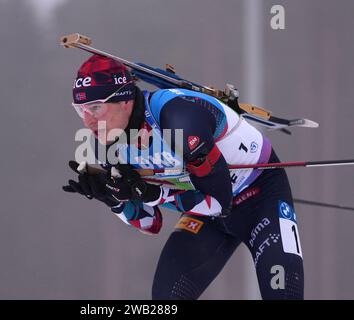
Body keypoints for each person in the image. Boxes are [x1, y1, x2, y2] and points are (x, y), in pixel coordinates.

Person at [63, 54, 304, 299]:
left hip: (259, 196)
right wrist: (114, 200)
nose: (87, 120)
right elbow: (149, 223)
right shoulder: (106, 145)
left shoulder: (177, 118)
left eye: (95, 107)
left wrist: (154, 194)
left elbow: (220, 202)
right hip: (203, 209)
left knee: (283, 294)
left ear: (124, 101)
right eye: (80, 109)